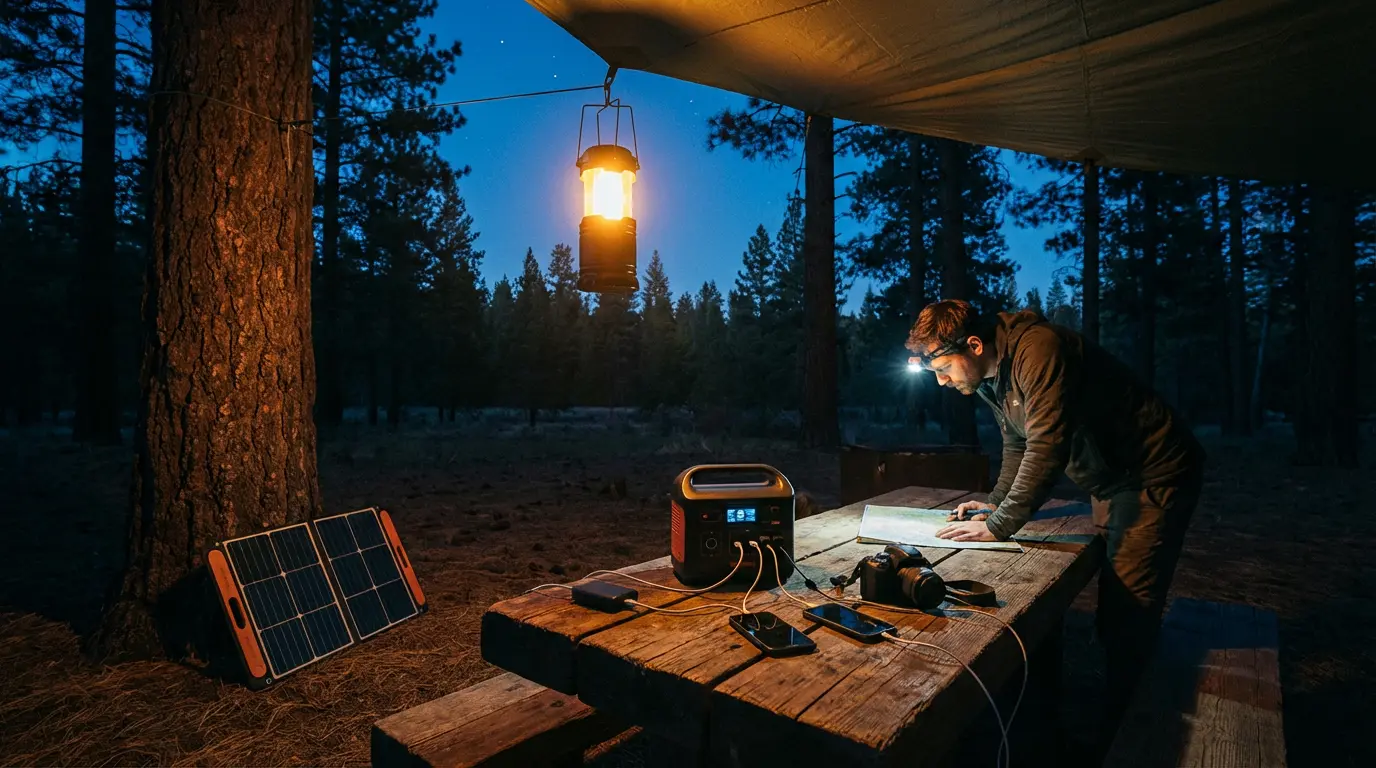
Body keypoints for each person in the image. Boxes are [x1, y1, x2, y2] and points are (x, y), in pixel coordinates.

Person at [910, 299, 1205, 744]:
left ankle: (1135, 734)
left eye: (944, 367)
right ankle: (1093, 711)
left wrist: (998, 526)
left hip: (1152, 472)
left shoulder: (1039, 350)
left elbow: (1048, 445)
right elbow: (1016, 442)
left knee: (1128, 611)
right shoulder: (994, 375)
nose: (941, 380)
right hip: (1112, 479)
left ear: (973, 345)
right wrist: (996, 503)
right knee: (1117, 607)